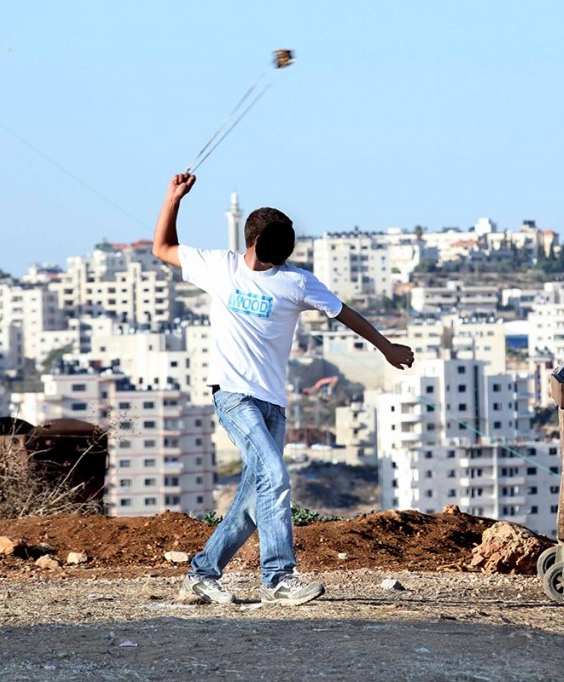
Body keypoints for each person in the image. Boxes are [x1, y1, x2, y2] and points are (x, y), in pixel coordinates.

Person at [152, 172, 414, 606]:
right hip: (233, 395)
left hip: (273, 402)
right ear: (251, 241)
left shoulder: (296, 281)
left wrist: (385, 346)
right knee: (274, 476)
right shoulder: (221, 267)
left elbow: (344, 313)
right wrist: (173, 198)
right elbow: (162, 248)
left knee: (255, 500)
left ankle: (201, 573)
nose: (278, 257)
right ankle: (277, 577)